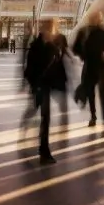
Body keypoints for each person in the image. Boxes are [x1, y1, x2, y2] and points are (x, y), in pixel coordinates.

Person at [23, 19, 69, 164]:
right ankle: (44, 150)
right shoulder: (38, 47)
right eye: (51, 30)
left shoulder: (50, 46)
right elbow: (31, 68)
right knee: (45, 117)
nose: (52, 33)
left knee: (43, 116)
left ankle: (43, 149)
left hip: (46, 86)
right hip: (40, 86)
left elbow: (58, 64)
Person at [73, 11, 104, 130]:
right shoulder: (103, 31)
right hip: (97, 66)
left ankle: (98, 118)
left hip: (93, 66)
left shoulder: (86, 31)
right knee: (98, 94)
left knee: (96, 93)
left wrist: (85, 56)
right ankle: (102, 119)